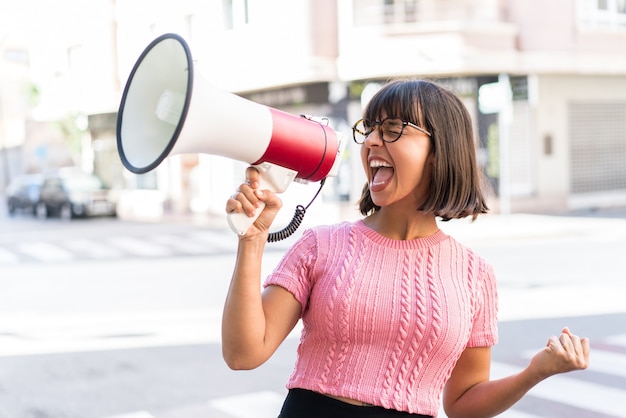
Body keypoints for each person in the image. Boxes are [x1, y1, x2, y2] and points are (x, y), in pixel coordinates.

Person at [222, 79, 590, 418]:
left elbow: (463, 402)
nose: (370, 142)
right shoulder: (321, 246)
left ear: (439, 150)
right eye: (369, 130)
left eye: (392, 129)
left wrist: (535, 372)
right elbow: (243, 353)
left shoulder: (474, 275)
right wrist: (252, 241)